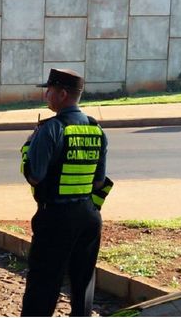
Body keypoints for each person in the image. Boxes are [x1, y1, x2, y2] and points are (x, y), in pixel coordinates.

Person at [21, 69, 108, 317]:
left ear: (61, 94)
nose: (46, 95)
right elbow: (99, 182)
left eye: (48, 90)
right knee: (83, 282)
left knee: (43, 284)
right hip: (88, 218)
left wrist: (28, 148)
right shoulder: (96, 129)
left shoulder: (51, 129)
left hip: (56, 218)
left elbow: (35, 176)